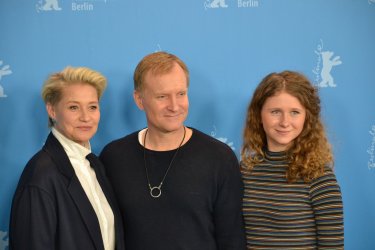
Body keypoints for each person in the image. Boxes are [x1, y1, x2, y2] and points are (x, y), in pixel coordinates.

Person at [100, 51, 246, 250]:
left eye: (181, 94)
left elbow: (232, 240)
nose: (174, 106)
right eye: (162, 96)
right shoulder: (113, 157)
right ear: (139, 99)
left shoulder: (219, 158)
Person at [9, 66, 125, 250]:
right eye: (73, 107)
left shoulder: (95, 164)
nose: (86, 117)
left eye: (92, 107)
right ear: (52, 111)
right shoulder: (40, 175)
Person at [241, 70, 344, 249]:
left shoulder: (319, 177)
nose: (285, 122)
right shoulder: (245, 170)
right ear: (259, 115)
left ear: (307, 117)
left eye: (295, 112)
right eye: (275, 112)